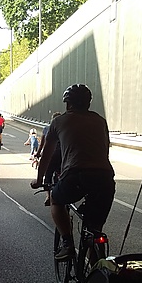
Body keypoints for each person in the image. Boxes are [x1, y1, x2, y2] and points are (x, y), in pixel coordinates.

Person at [31, 84, 115, 260]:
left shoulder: (59, 121)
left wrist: (39, 180)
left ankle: (68, 244)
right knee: (95, 227)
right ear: (88, 103)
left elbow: (47, 156)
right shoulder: (100, 120)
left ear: (67, 104)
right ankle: (96, 263)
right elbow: (104, 150)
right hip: (105, 177)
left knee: (55, 198)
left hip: (76, 174)